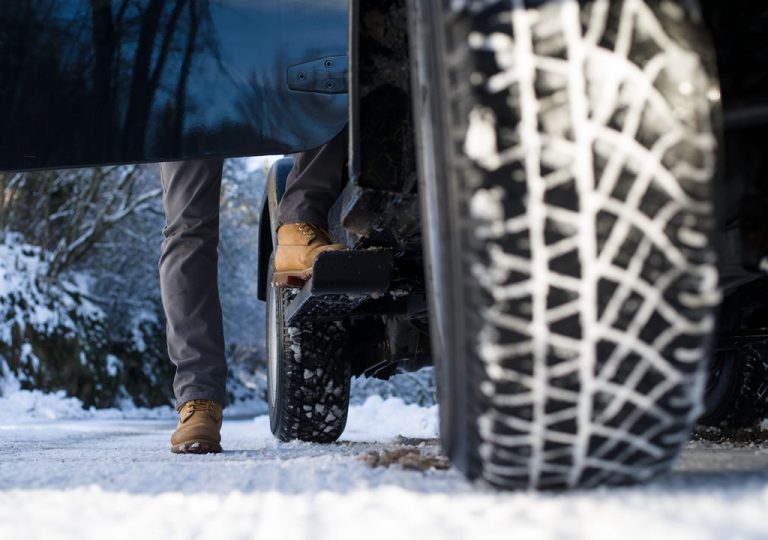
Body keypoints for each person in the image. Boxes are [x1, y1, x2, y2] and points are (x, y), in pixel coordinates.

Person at [160, 128, 347, 454]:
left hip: (276, 78)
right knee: (187, 226)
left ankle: (300, 225)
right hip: (191, 87)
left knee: (333, 87)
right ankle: (198, 400)